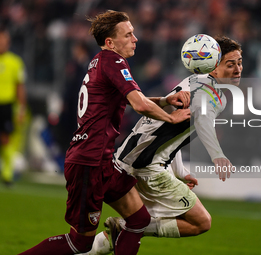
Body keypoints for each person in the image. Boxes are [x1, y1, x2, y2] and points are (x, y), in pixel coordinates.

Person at [18, 10, 190, 255]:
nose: (135, 38)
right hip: (88, 162)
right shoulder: (113, 61)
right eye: (128, 34)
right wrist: (171, 118)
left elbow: (134, 100)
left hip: (102, 161)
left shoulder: (100, 61)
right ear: (110, 42)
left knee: (139, 220)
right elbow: (140, 105)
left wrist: (165, 100)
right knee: (79, 243)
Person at [81, 35, 243, 255]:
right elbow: (202, 123)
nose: (237, 69)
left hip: (131, 160)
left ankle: (101, 243)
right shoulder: (211, 94)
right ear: (213, 66)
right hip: (147, 168)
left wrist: (180, 172)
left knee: (138, 219)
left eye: (239, 63)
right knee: (201, 222)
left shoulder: (191, 84)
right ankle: (122, 229)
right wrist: (217, 155)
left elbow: (165, 133)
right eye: (230, 64)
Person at [0, 26, 26, 187]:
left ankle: (7, 174)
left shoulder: (15, 62)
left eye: (4, 41)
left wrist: (21, 108)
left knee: (5, 139)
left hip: (6, 106)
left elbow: (20, 87)